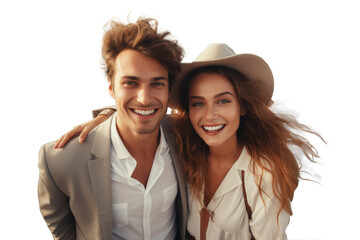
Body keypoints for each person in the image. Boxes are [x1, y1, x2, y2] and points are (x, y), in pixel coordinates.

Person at [57, 44, 323, 239]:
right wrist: (105, 118)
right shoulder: (181, 146)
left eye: (223, 101)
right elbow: (144, 113)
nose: (209, 115)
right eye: (198, 103)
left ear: (242, 106)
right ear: (188, 111)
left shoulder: (263, 173)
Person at [37, 17, 187, 240]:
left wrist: (109, 112)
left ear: (168, 89)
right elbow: (61, 229)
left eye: (157, 83)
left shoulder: (185, 136)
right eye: (131, 83)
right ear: (111, 86)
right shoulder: (60, 160)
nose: (144, 99)